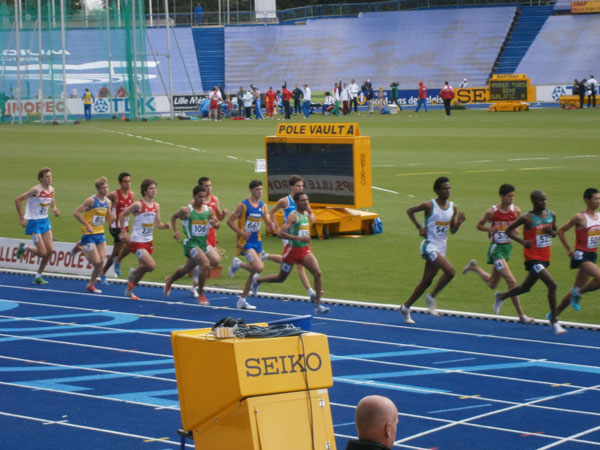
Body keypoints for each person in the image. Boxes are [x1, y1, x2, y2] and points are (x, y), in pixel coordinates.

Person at [493, 190, 566, 334]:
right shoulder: (527, 218)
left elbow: (555, 232)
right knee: (552, 284)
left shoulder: (552, 215)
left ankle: (501, 296)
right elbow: (508, 231)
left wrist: (552, 233)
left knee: (525, 288)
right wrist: (522, 242)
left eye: (544, 200)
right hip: (533, 258)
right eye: (540, 200)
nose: (543, 203)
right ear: (533, 201)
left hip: (545, 257)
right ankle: (554, 320)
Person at [463, 184, 533, 324]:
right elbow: (479, 225)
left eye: (513, 196)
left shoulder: (516, 211)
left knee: (492, 283)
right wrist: (490, 229)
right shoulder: (492, 212)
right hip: (496, 250)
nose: (511, 199)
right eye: (509, 196)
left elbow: (517, 229)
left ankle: (474, 267)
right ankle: (521, 315)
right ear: (501, 196)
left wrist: (515, 231)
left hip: (507, 249)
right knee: (511, 281)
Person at [399, 177, 465, 324]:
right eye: (445, 188)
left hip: (442, 246)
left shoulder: (453, 207)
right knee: (450, 271)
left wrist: (459, 224)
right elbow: (410, 211)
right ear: (437, 190)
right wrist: (419, 227)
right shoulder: (429, 205)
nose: (448, 191)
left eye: (449, 188)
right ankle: (431, 297)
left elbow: (452, 230)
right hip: (429, 245)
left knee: (427, 281)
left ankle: (405, 307)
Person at [251, 192, 327, 314]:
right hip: (291, 252)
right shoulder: (293, 216)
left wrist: (307, 240)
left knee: (317, 273)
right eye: (303, 200)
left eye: (307, 199)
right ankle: (258, 281)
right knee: (281, 278)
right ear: (296, 202)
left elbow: (303, 231)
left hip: (305, 250)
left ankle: (318, 305)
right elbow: (280, 233)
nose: (306, 202)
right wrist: (299, 239)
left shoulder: (306, 214)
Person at [165, 185, 220, 305]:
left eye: (204, 197)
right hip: (191, 244)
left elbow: (217, 223)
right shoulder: (186, 210)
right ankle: (201, 294)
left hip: (203, 243)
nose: (202, 199)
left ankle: (170, 280)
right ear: (194, 196)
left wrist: (215, 223)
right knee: (205, 264)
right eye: (199, 197)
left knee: (213, 261)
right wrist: (176, 231)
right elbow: (174, 217)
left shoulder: (208, 210)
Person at [226, 180, 275, 310]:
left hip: (257, 241)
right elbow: (229, 221)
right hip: (245, 242)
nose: (260, 192)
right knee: (259, 267)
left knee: (254, 272)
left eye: (261, 189)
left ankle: (242, 300)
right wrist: (241, 233)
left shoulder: (263, 206)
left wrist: (271, 225)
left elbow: (268, 222)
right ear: (251, 190)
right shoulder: (243, 205)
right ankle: (238, 264)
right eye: (257, 189)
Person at [119, 179, 170, 300]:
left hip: (148, 241)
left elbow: (157, 224)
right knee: (151, 265)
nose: (154, 191)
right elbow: (122, 215)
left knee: (143, 270)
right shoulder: (138, 205)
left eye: (155, 188)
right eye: (151, 188)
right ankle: (133, 273)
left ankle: (129, 290)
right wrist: (124, 232)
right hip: (137, 241)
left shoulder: (156, 206)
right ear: (145, 190)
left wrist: (165, 226)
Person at [268, 175, 317, 301]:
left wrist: (312, 216)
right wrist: (276, 226)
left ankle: (265, 256)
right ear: (291, 187)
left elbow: (310, 211)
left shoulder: (303, 200)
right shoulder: (285, 201)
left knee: (291, 262)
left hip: (300, 235)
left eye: (302, 186)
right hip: (289, 236)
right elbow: (271, 212)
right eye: (298, 186)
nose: (300, 188)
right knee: (299, 264)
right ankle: (310, 292)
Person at [555, 188, 600, 316]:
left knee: (575, 287)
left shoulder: (599, 216)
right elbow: (561, 231)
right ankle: (578, 293)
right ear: (587, 200)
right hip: (581, 255)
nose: (598, 201)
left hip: (592, 255)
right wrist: (569, 249)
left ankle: (554, 315)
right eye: (595, 199)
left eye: (599, 198)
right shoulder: (580, 217)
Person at [15, 167, 61, 285]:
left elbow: (52, 204)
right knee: (42, 253)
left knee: (50, 251)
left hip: (45, 222)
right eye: (46, 177)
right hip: (34, 223)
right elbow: (18, 200)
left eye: (50, 176)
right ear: (41, 179)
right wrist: (21, 217)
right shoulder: (35, 190)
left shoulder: (51, 190)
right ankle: (24, 247)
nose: (49, 178)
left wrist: (55, 210)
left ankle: (38, 276)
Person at [72, 177, 112, 294]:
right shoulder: (91, 201)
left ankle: (91, 285)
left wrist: (113, 219)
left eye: (107, 187)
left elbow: (108, 218)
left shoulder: (108, 202)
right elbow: (76, 213)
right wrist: (87, 225)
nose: (106, 189)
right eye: (103, 188)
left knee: (100, 262)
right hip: (88, 233)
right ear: (98, 189)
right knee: (96, 262)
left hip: (100, 233)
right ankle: (81, 247)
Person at [100, 172, 135, 283]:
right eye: (125, 181)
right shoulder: (114, 195)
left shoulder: (132, 195)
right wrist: (110, 214)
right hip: (115, 226)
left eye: (129, 181)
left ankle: (103, 272)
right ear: (120, 183)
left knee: (116, 252)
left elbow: (130, 209)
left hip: (125, 226)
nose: (128, 184)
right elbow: (102, 201)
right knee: (130, 243)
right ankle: (118, 261)